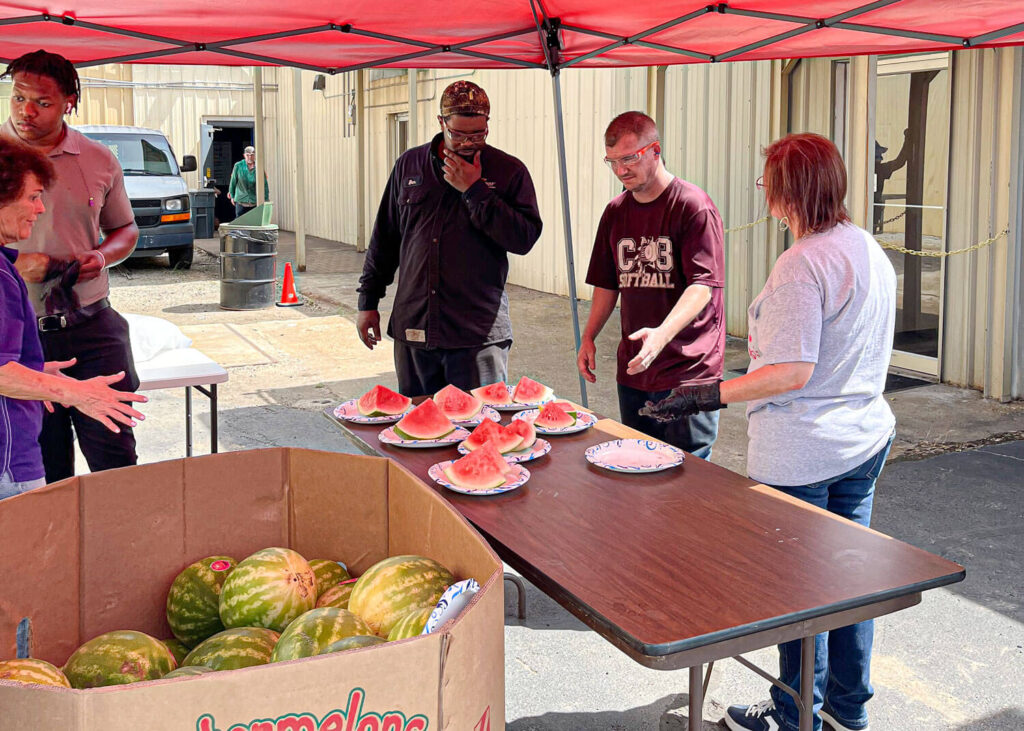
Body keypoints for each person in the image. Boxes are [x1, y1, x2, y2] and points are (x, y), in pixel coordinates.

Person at [643, 133, 897, 731]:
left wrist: (704, 396)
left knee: (795, 593)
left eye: (768, 184)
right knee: (849, 580)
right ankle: (846, 710)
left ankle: (791, 711)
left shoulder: (800, 264)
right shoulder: (866, 248)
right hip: (862, 439)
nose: (764, 195)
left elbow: (790, 372)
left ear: (787, 194)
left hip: (804, 454)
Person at [1, 49, 143, 483]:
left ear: (69, 102)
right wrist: (17, 264)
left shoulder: (98, 159)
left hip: (89, 325)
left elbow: (126, 230)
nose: (27, 111)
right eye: (17, 97)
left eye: (42, 103)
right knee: (42, 470)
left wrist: (99, 257)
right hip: (17, 336)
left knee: (115, 460)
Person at [356, 80, 542, 396]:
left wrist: (475, 190)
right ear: (441, 123)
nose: (470, 143)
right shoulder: (409, 165)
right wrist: (368, 301)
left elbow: (523, 238)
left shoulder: (508, 171)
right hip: (415, 327)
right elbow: (385, 238)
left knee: (480, 432)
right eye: (459, 134)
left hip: (477, 335)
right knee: (419, 435)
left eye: (479, 134)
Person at [577, 111, 725, 459]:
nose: (620, 170)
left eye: (629, 158)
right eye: (612, 161)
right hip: (635, 371)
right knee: (637, 470)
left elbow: (703, 286)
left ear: (655, 150)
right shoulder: (615, 212)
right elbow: (607, 283)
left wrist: (661, 334)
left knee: (688, 480)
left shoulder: (693, 206)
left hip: (688, 373)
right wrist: (589, 336)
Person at [228, 145, 270, 219]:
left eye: (252, 155)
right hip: (241, 199)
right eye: (248, 155)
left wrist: (266, 198)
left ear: (255, 156)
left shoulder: (259, 166)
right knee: (240, 222)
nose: (250, 157)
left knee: (254, 222)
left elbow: (264, 184)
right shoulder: (238, 165)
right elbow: (233, 181)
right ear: (244, 155)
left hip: (254, 201)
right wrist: (232, 195)